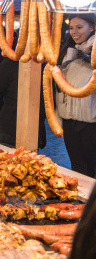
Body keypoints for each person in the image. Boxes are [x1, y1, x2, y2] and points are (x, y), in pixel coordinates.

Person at [55, 14, 96, 178]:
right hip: (69, 120)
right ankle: (78, 203)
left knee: (92, 168)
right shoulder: (67, 52)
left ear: (92, 27)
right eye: (71, 28)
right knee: (76, 166)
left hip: (91, 122)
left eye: (79, 27)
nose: (74, 32)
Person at [0, 58, 46, 149]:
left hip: (33, 133)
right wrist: (6, 115)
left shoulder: (44, 67)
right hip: (9, 133)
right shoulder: (10, 63)